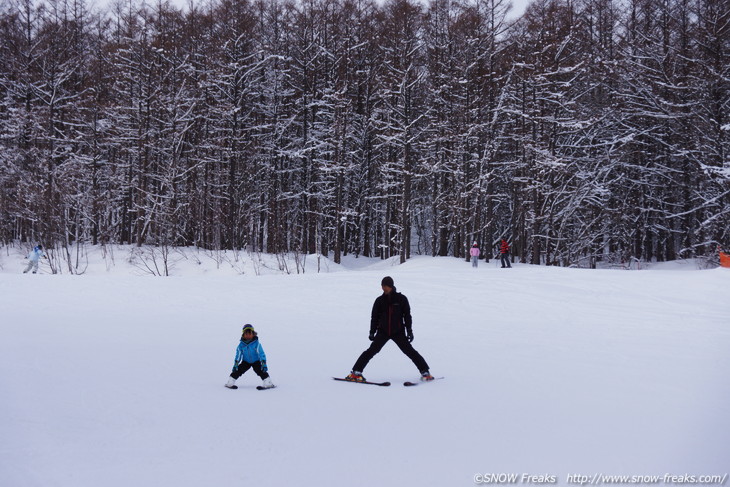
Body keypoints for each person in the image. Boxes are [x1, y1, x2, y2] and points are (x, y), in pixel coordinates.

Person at [346, 276, 434, 382]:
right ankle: (356, 372)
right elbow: (374, 317)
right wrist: (372, 332)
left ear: (391, 286)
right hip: (383, 332)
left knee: (410, 351)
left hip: (398, 332)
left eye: (386, 286)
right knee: (371, 351)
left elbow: (407, 316)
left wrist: (409, 331)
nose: (384, 288)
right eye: (382, 286)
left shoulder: (401, 299)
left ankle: (425, 372)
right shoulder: (379, 301)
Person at [225, 324, 275, 389]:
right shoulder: (241, 345)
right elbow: (238, 354)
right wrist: (236, 364)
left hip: (256, 361)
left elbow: (261, 353)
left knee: (260, 370)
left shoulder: (256, 344)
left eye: (250, 334)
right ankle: (230, 382)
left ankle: (268, 383)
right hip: (246, 361)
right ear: (243, 335)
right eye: (246, 334)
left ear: (253, 334)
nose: (248, 336)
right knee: (238, 370)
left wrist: (263, 363)